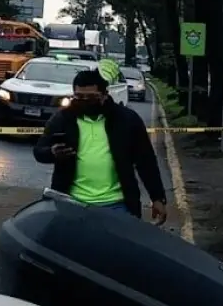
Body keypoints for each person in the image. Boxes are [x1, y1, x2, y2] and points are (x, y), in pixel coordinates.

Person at [33, 68, 169, 224]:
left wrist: (157, 198)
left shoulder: (127, 120)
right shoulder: (62, 119)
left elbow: (146, 162)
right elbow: (38, 151)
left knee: (116, 249)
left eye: (90, 98)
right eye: (79, 97)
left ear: (104, 95)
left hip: (118, 206)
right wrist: (52, 153)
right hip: (70, 204)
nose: (84, 102)